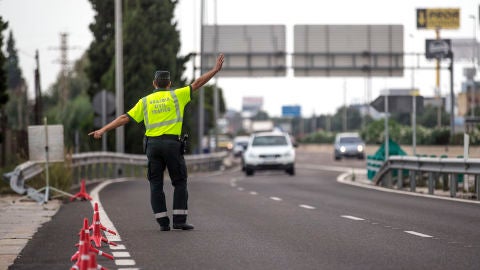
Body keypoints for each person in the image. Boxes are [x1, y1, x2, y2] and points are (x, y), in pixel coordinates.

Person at [88, 53, 225, 231]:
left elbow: (124, 118)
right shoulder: (178, 95)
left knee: (155, 184)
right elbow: (197, 83)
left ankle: (163, 223)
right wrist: (215, 70)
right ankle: (179, 220)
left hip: (152, 146)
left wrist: (103, 129)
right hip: (172, 145)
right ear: (169, 84)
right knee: (179, 182)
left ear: (154, 84)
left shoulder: (145, 101)